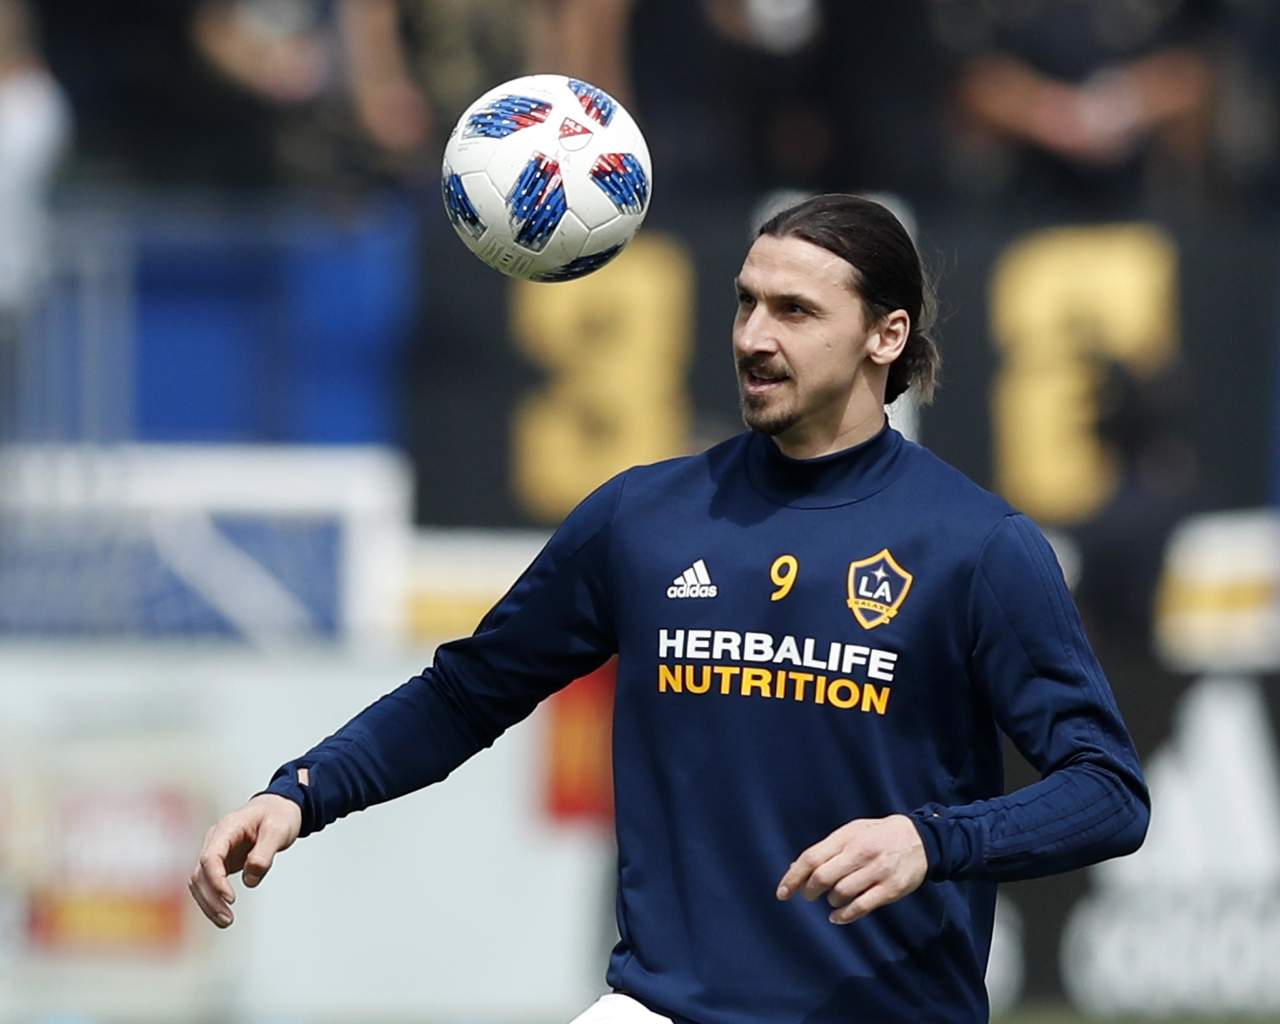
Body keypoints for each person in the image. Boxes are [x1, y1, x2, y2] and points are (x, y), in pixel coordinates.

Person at [190, 194, 1149, 1023]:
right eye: (745, 302)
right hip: (664, 1006)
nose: (753, 337)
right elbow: (465, 693)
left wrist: (930, 841)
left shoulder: (977, 547)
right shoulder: (644, 517)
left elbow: (1108, 790)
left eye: (795, 311)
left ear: (885, 336)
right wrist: (302, 792)